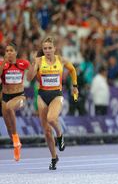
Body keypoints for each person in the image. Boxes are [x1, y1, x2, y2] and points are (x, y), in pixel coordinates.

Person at [27, 36, 79, 170]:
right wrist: (33, 64)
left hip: (56, 95)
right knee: (46, 132)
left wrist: (74, 85)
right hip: (42, 95)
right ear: (42, 50)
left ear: (54, 49)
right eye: (45, 48)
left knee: (51, 118)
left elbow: (73, 70)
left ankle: (60, 136)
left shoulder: (60, 60)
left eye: (50, 48)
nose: (47, 50)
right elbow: (28, 78)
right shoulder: (39, 60)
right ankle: (54, 157)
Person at [0, 42, 30, 161]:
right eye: (7, 51)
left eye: (11, 50)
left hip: (19, 96)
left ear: (16, 52)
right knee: (8, 128)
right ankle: (16, 146)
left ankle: (16, 138)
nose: (9, 53)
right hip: (5, 96)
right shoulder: (2, 64)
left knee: (9, 107)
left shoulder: (23, 63)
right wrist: (3, 63)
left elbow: (32, 74)